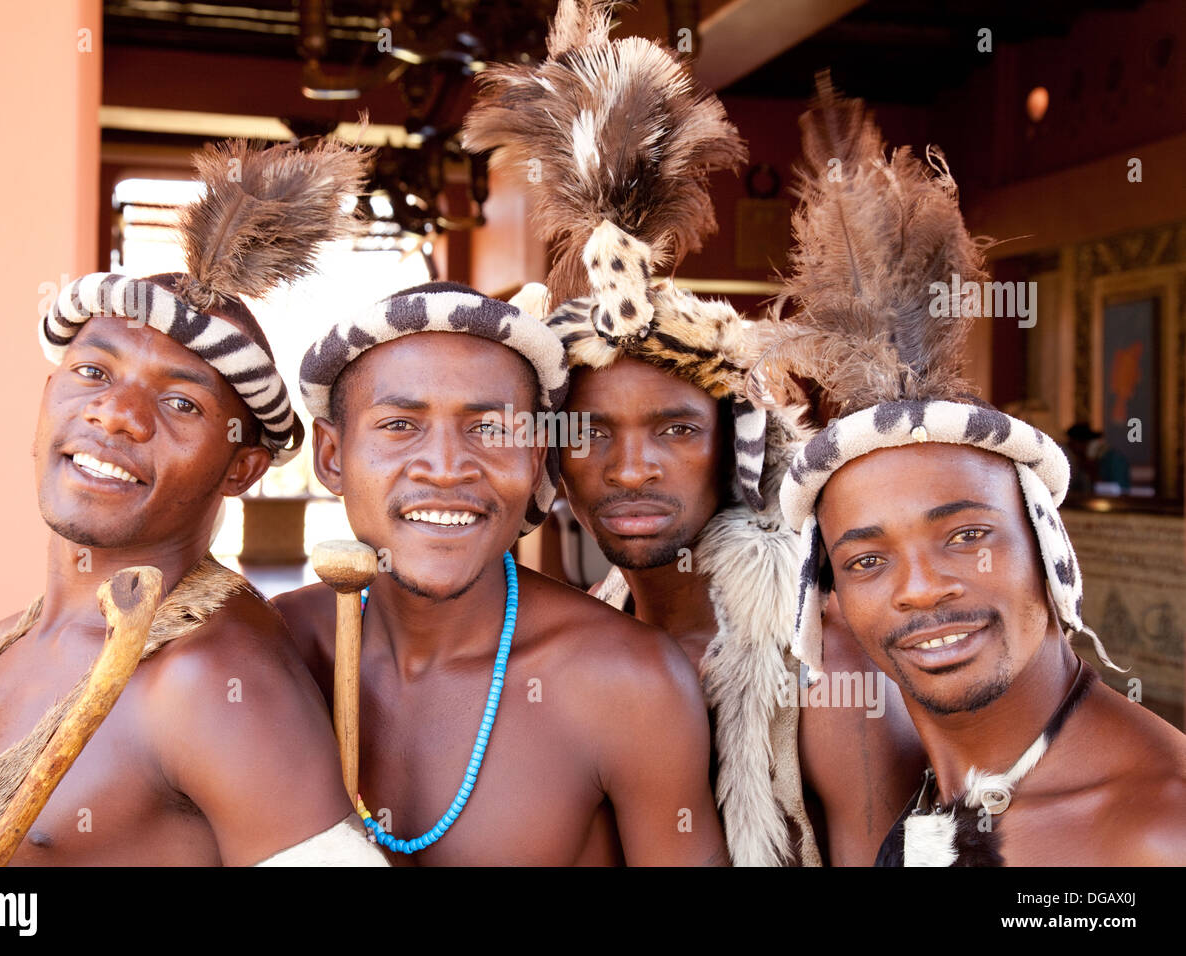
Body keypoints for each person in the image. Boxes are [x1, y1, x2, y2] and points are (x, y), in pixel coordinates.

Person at [460, 0, 924, 865]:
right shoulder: (593, 629)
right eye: (593, 432)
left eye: (675, 428)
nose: (631, 467)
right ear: (555, 455)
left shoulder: (822, 659)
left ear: (737, 448)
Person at [0, 139, 386, 866]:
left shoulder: (206, 679)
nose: (116, 414)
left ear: (242, 465)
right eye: (92, 370)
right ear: (47, 399)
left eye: (181, 402)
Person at [754, 75, 1186, 866]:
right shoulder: (937, 788)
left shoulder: (1152, 832)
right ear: (833, 601)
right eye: (868, 559)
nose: (921, 587)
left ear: (1049, 551)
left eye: (966, 535)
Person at [275, 280, 728, 865]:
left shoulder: (627, 680)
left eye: (490, 429)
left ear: (537, 460)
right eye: (399, 425)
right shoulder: (280, 649)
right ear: (332, 458)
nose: (444, 469)